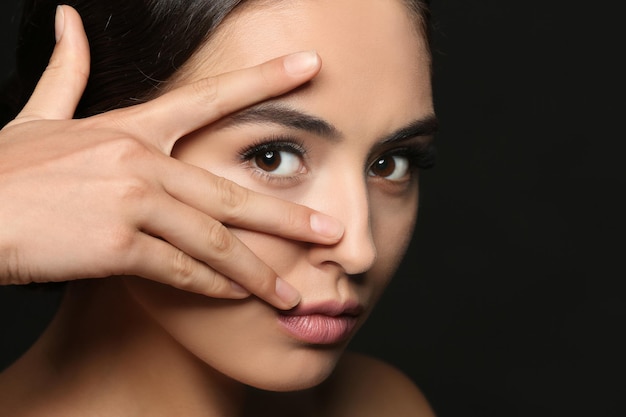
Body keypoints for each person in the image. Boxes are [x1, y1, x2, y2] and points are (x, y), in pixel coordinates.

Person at [0, 0, 437, 415]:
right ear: (79, 151)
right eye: (273, 156)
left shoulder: (385, 404)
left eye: (391, 163)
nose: (359, 252)